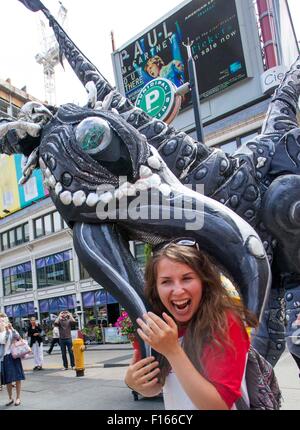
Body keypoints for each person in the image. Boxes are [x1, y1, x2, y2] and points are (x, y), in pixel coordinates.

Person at [125, 239, 258, 410]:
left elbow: (218, 406)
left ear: (203, 282)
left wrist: (172, 350)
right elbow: (155, 386)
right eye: (166, 281)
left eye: (187, 278)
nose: (178, 290)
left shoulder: (225, 322)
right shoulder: (158, 326)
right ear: (155, 288)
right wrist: (133, 381)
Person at [0, 315, 25, 406]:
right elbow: (4, 341)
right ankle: (10, 398)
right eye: (0, 321)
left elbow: (18, 337)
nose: (1, 323)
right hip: (6, 357)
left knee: (18, 377)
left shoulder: (11, 330)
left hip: (14, 355)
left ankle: (18, 398)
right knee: (8, 380)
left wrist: (12, 329)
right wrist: (7, 331)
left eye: (3, 321)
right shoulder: (1, 333)